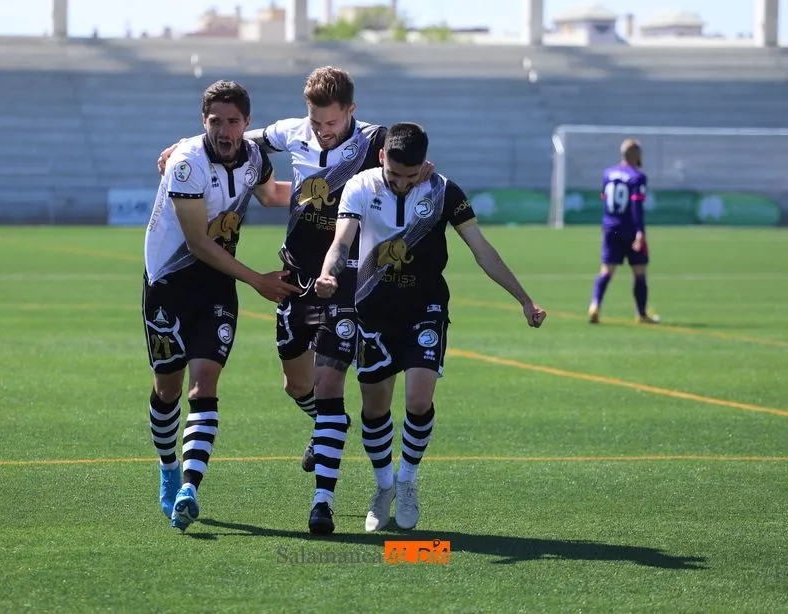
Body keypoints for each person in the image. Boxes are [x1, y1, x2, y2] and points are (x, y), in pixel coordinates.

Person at [158, 67, 432, 535]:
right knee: (294, 383)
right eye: (316, 122)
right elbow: (234, 133)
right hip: (296, 274)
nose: (322, 131)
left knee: (328, 383)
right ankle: (326, 425)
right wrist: (180, 146)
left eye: (331, 123)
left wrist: (427, 170)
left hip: (346, 277)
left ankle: (324, 499)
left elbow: (411, 158)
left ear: (351, 111)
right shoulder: (290, 132)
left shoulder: (374, 141)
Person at [315, 122, 546, 532]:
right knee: (375, 407)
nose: (402, 185)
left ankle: (406, 481)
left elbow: (482, 250)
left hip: (426, 308)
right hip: (372, 310)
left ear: (424, 164)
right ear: (382, 157)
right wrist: (329, 274)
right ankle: (383, 485)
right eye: (395, 176)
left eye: (411, 176)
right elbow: (341, 242)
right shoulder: (359, 187)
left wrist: (524, 299)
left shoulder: (444, 191)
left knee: (419, 400)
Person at [144, 80, 300, 532]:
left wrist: (329, 189)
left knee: (204, 384)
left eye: (233, 121)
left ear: (247, 123)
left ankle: (190, 487)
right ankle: (168, 466)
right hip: (169, 284)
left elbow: (272, 195)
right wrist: (257, 280)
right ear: (203, 121)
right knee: (167, 389)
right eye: (216, 121)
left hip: (217, 283)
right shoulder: (186, 164)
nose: (225, 129)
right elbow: (196, 243)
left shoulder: (252, 156)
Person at [588, 138, 659, 324]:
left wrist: (606, 223)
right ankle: (642, 314)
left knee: (606, 271)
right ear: (636, 155)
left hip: (611, 228)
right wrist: (640, 232)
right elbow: (636, 205)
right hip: (629, 228)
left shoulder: (608, 173)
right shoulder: (637, 177)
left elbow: (604, 198)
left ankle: (595, 305)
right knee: (639, 272)